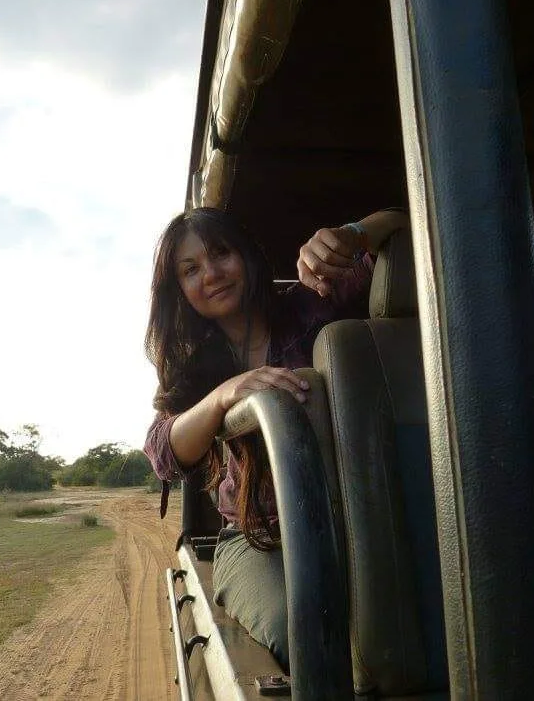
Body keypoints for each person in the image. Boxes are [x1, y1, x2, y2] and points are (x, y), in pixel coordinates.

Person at [143, 206, 407, 669]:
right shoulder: (193, 367)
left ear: (246, 255)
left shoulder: (314, 302)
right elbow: (164, 452)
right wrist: (223, 398)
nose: (211, 274)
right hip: (256, 538)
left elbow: (405, 224)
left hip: (364, 517)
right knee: (303, 627)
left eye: (220, 253)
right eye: (190, 270)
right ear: (180, 290)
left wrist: (352, 234)